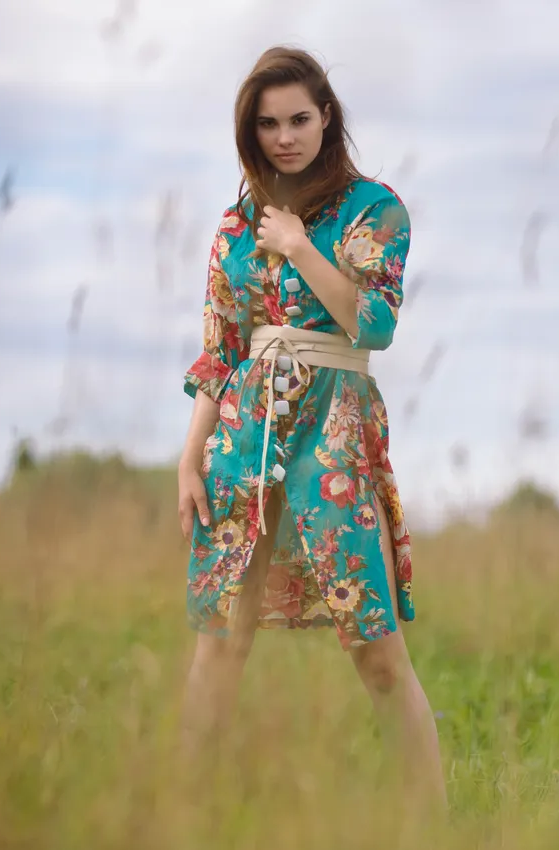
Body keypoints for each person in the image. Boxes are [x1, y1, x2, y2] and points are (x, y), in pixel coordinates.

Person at [176, 45, 447, 813]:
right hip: (243, 436)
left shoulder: (375, 210)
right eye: (268, 124)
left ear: (327, 117)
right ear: (250, 130)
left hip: (332, 438)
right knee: (221, 642)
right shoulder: (236, 225)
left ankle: (434, 822)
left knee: (378, 653)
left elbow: (374, 324)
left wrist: (297, 243)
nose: (284, 136)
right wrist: (190, 453)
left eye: (299, 118)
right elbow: (222, 348)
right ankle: (181, 813)